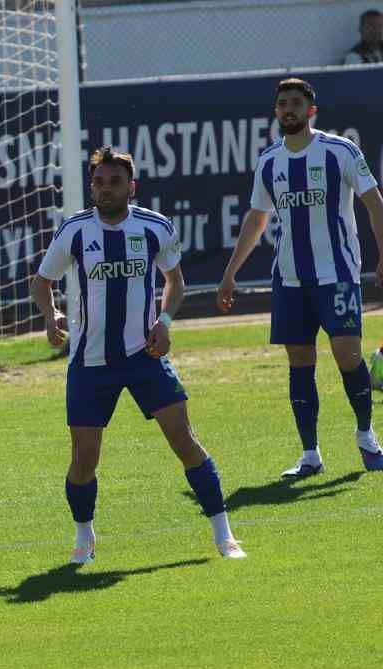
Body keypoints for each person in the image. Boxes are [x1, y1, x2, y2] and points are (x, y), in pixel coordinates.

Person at [32, 147, 246, 564]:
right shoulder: (74, 230)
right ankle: (84, 538)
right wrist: (51, 313)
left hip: (144, 356)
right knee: (84, 458)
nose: (105, 189)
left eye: (114, 182)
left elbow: (175, 282)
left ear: (132, 187)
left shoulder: (154, 227)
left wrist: (164, 322)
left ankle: (225, 535)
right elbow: (42, 281)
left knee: (184, 440)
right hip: (90, 361)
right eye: (98, 182)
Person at [217, 79, 383, 476]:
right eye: (281, 104)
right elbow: (257, 219)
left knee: (348, 356)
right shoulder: (269, 161)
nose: (287, 109)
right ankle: (310, 455)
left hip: (338, 274)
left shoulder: (340, 151)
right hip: (290, 280)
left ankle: (366, 437)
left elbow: (374, 203)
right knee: (299, 363)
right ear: (276, 113)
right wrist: (230, 273)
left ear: (312, 111)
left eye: (295, 102)